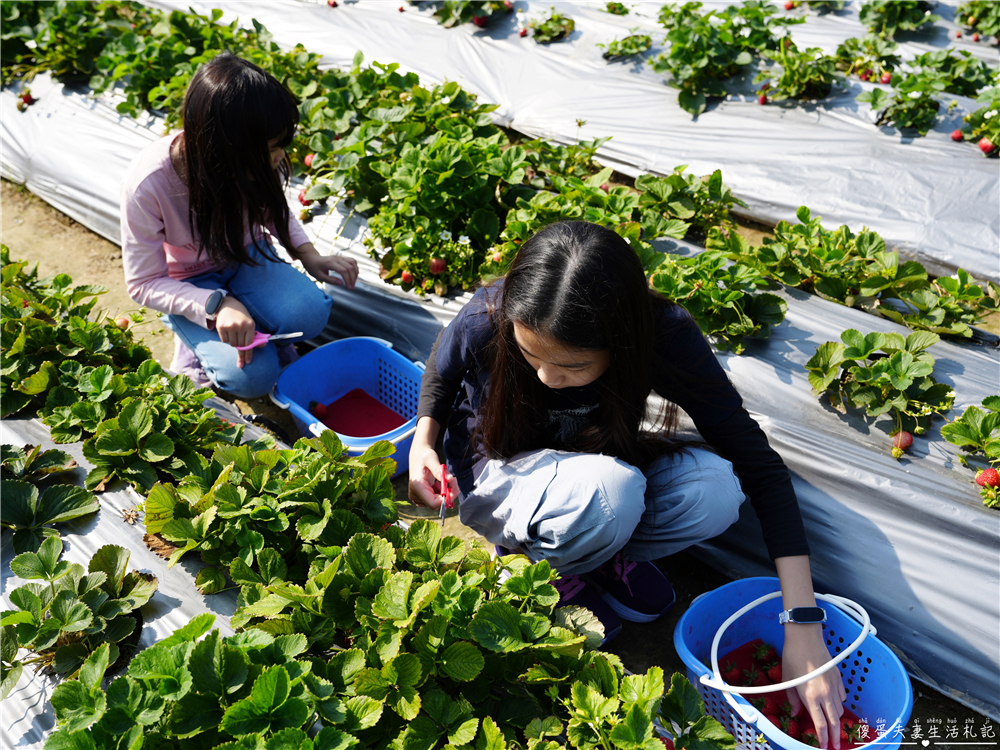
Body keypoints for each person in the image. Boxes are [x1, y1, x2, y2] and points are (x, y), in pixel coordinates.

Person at [409, 221, 846, 749]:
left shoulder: (663, 334)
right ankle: (535, 562)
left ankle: (596, 547)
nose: (547, 377)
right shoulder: (494, 311)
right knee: (608, 494)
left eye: (572, 365)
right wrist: (423, 444)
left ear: (622, 340)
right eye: (531, 355)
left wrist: (802, 622)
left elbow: (757, 462)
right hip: (498, 467)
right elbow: (441, 372)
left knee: (715, 488)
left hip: (591, 468)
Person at [120, 53, 358, 398]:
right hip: (189, 281)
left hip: (245, 256)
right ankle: (189, 333)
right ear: (227, 149)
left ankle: (250, 325)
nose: (281, 156)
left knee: (309, 313)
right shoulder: (149, 185)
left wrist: (308, 255)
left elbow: (273, 211)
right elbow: (143, 283)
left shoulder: (250, 163)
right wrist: (217, 305)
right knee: (252, 379)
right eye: (274, 148)